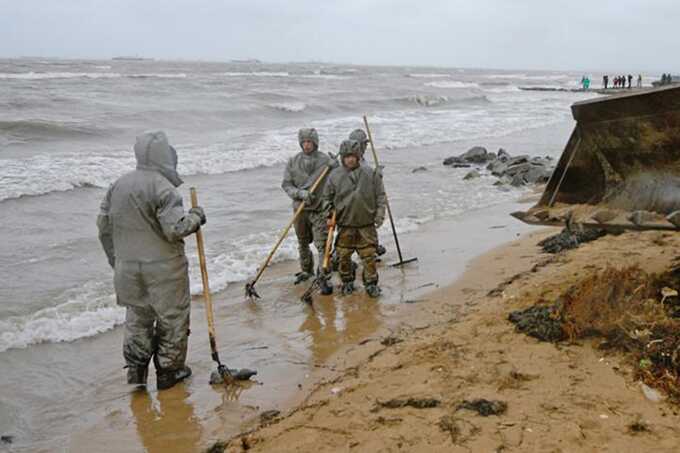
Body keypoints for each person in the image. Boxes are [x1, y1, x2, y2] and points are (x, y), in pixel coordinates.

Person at [97, 131, 206, 390]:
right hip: (164, 269)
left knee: (138, 318)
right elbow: (175, 229)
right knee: (172, 318)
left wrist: (117, 261)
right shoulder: (163, 187)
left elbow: (103, 228)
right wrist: (196, 216)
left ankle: (136, 373)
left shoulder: (118, 185)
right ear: (164, 156)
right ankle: (169, 371)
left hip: (127, 268)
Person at [323, 139, 386, 298]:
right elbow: (326, 199)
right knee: (343, 256)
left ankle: (371, 284)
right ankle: (347, 282)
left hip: (366, 225)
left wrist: (379, 214)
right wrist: (329, 214)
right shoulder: (334, 176)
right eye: (347, 156)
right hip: (345, 225)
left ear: (358, 156)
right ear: (342, 157)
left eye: (353, 156)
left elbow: (380, 196)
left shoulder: (370, 174)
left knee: (369, 256)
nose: (350, 159)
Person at [282, 128, 334, 293]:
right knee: (302, 242)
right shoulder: (293, 161)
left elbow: (338, 178)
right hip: (300, 208)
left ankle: (323, 274)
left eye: (309, 142)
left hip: (319, 208)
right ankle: (306, 270)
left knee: (322, 243)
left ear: (315, 143)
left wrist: (336, 166)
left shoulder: (326, 161)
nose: (306, 145)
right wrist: (299, 193)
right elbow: (286, 185)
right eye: (303, 142)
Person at [348, 128, 387, 258]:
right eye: (364, 144)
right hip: (351, 206)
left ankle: (371, 250)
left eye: (366, 144)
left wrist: (376, 176)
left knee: (366, 232)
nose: (365, 147)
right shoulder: (349, 162)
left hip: (364, 204)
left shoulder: (363, 161)